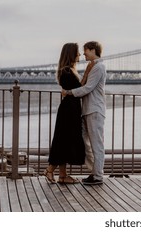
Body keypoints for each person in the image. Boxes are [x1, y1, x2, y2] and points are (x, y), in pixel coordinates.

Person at [63, 41, 107, 185]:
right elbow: (84, 85)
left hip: (94, 110)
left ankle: (98, 176)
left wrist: (69, 92)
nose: (83, 53)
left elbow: (88, 88)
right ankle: (94, 172)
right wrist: (87, 72)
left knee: (96, 145)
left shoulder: (99, 66)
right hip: (88, 110)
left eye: (85, 50)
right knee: (84, 143)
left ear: (93, 50)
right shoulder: (92, 66)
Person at [44, 43, 86, 184]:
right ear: (71, 54)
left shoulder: (68, 70)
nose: (80, 55)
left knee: (64, 141)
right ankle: (50, 170)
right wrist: (89, 72)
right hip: (69, 110)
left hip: (70, 109)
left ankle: (62, 175)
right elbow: (81, 89)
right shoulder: (67, 72)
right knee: (64, 141)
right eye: (77, 53)